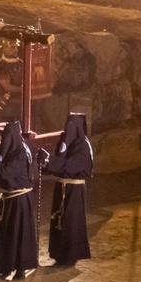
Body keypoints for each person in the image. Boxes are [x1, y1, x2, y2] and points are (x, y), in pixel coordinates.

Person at [0, 120, 39, 280]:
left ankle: (21, 269)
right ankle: (4, 266)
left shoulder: (21, 153)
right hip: (11, 198)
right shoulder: (14, 149)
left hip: (20, 200)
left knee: (19, 233)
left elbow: (4, 172)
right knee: (5, 233)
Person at [42, 113, 93, 266]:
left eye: (71, 126)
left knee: (71, 221)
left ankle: (71, 254)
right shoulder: (66, 142)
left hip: (74, 189)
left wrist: (49, 161)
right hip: (63, 187)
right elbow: (59, 163)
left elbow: (70, 165)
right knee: (59, 220)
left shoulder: (83, 145)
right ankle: (59, 253)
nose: (68, 129)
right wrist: (45, 164)